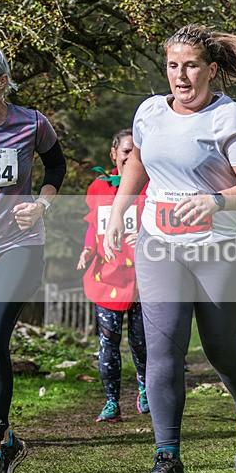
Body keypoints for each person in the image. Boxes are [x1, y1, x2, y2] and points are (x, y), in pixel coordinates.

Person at [103, 25, 236, 473]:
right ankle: (168, 460)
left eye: (192, 65)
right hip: (161, 244)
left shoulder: (229, 117)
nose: (181, 75)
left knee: (221, 350)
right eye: (173, 66)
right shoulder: (150, 111)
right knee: (162, 353)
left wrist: (216, 201)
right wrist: (120, 212)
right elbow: (137, 161)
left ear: (211, 70)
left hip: (223, 248)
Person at [0, 43, 67, 473]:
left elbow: (56, 168)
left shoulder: (31, 122)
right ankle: (8, 440)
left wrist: (41, 206)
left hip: (19, 243)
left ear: (1, 81)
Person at [76, 128, 148, 423]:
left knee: (141, 342)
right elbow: (94, 226)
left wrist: (144, 239)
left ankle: (145, 390)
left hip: (144, 278)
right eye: (126, 151)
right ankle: (111, 403)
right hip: (106, 277)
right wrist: (86, 250)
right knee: (108, 342)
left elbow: (160, 223)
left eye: (136, 152)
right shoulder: (97, 188)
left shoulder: (151, 186)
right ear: (114, 154)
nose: (130, 157)